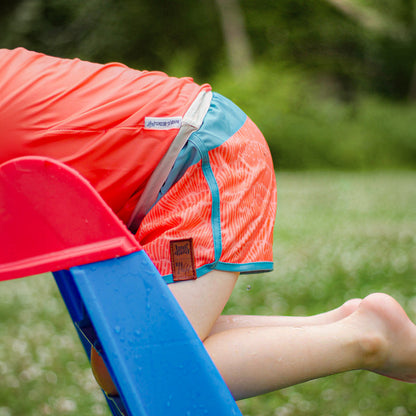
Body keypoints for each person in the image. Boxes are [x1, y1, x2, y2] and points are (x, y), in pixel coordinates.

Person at [1, 47, 416, 402]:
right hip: (184, 159)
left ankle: (367, 339)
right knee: (119, 363)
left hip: (199, 157)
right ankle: (342, 325)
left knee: (143, 367)